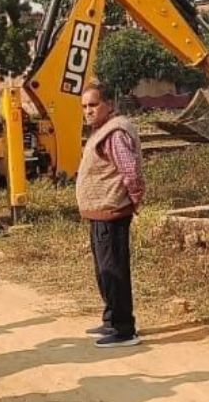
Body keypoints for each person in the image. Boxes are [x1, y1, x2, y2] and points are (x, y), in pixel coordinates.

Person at [76, 81, 144, 348]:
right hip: (101, 212)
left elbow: (131, 171)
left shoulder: (115, 133)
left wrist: (135, 199)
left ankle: (124, 329)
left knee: (113, 270)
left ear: (109, 105)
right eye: (84, 107)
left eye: (93, 105)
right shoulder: (101, 131)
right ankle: (111, 319)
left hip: (112, 211)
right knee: (103, 270)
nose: (88, 111)